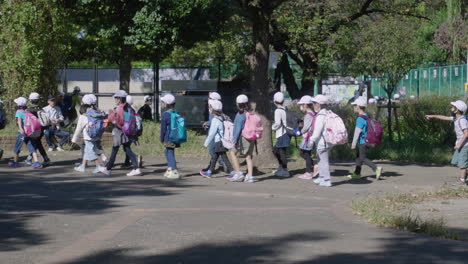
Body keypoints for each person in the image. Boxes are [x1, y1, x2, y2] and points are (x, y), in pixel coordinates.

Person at [426, 100, 468, 184]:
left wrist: (459, 144)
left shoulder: (462, 120)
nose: (451, 107)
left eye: (453, 106)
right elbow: (444, 117)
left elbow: (466, 134)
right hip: (460, 145)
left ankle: (462, 180)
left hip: (464, 145)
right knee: (456, 161)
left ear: (457, 110)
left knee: (462, 163)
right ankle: (465, 174)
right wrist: (433, 116)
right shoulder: (456, 118)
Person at [101, 90, 141, 177]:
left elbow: (118, 122)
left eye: (116, 98)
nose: (115, 99)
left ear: (120, 99)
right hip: (126, 132)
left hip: (119, 132)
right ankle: (136, 168)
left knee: (115, 150)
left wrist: (111, 116)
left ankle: (108, 169)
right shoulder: (129, 108)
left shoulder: (119, 109)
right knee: (126, 149)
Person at [347, 97, 383, 180]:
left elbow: (357, 132)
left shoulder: (360, 118)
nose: (353, 107)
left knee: (362, 158)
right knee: (358, 157)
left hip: (362, 141)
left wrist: (353, 144)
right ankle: (357, 173)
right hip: (367, 140)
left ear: (358, 107)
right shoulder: (366, 116)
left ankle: (376, 168)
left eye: (354, 105)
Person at [71, 94, 106, 174]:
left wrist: (74, 139)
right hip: (96, 135)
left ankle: (98, 166)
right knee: (87, 151)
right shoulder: (97, 112)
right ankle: (83, 166)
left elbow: (78, 128)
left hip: (88, 136)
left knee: (90, 152)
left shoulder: (84, 114)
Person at [200, 100, 234, 178]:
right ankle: (209, 172)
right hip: (221, 141)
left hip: (219, 142)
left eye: (210, 107)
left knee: (224, 158)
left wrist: (206, 143)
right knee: (215, 157)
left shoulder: (215, 120)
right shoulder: (222, 117)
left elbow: (211, 134)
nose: (209, 109)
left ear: (213, 109)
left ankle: (232, 171)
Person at [228, 94, 257, 183]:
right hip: (252, 137)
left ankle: (238, 173)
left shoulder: (239, 115)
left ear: (237, 104)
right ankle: (250, 176)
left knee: (232, 152)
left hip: (243, 138)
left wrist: (234, 140)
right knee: (248, 157)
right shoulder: (251, 113)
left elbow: (237, 130)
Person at [8, 97, 41, 169]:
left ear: (19, 104)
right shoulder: (27, 111)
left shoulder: (18, 111)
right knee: (31, 146)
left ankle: (15, 162)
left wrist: (21, 129)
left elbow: (19, 121)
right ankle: (36, 162)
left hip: (22, 132)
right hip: (29, 132)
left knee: (17, 147)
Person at [310, 95, 333, 187]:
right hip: (327, 141)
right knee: (320, 160)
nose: (313, 105)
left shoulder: (321, 115)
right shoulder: (328, 113)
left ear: (319, 104)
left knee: (323, 160)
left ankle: (327, 180)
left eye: (314, 103)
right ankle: (322, 177)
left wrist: (311, 140)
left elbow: (317, 131)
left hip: (322, 142)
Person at [202, 92, 226, 172]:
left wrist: (207, 123)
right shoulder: (216, 108)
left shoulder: (214, 109)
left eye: (209, 98)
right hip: (216, 134)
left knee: (212, 150)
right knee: (216, 151)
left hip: (215, 135)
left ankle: (223, 164)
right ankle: (211, 167)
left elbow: (213, 121)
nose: (208, 100)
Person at [297, 95, 319, 180]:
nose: (301, 106)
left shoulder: (308, 115)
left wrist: (299, 132)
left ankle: (309, 172)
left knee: (305, 153)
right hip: (310, 137)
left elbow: (305, 127)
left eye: (302, 104)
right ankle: (313, 167)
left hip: (308, 137)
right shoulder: (313, 114)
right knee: (305, 153)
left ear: (306, 104)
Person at [27, 92, 51, 166]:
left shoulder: (29, 110)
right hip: (41, 129)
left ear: (30, 100)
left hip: (33, 130)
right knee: (37, 143)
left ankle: (31, 159)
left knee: (35, 143)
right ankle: (30, 158)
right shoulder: (41, 109)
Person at [160, 94, 181, 179]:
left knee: (170, 153)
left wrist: (161, 138)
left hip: (169, 137)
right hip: (176, 136)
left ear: (166, 104)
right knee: (167, 151)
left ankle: (174, 170)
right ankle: (169, 169)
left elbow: (163, 128)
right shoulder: (176, 113)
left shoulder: (165, 114)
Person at [271, 92, 291, 177]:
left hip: (282, 134)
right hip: (286, 133)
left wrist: (273, 127)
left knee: (281, 152)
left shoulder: (277, 110)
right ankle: (281, 167)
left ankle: (285, 171)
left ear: (274, 101)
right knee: (275, 151)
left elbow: (278, 123)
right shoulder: (285, 109)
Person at [122, 95, 143, 168]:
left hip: (127, 131)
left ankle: (135, 157)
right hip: (133, 131)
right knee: (128, 146)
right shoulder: (133, 110)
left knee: (126, 147)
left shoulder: (125, 110)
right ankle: (127, 162)